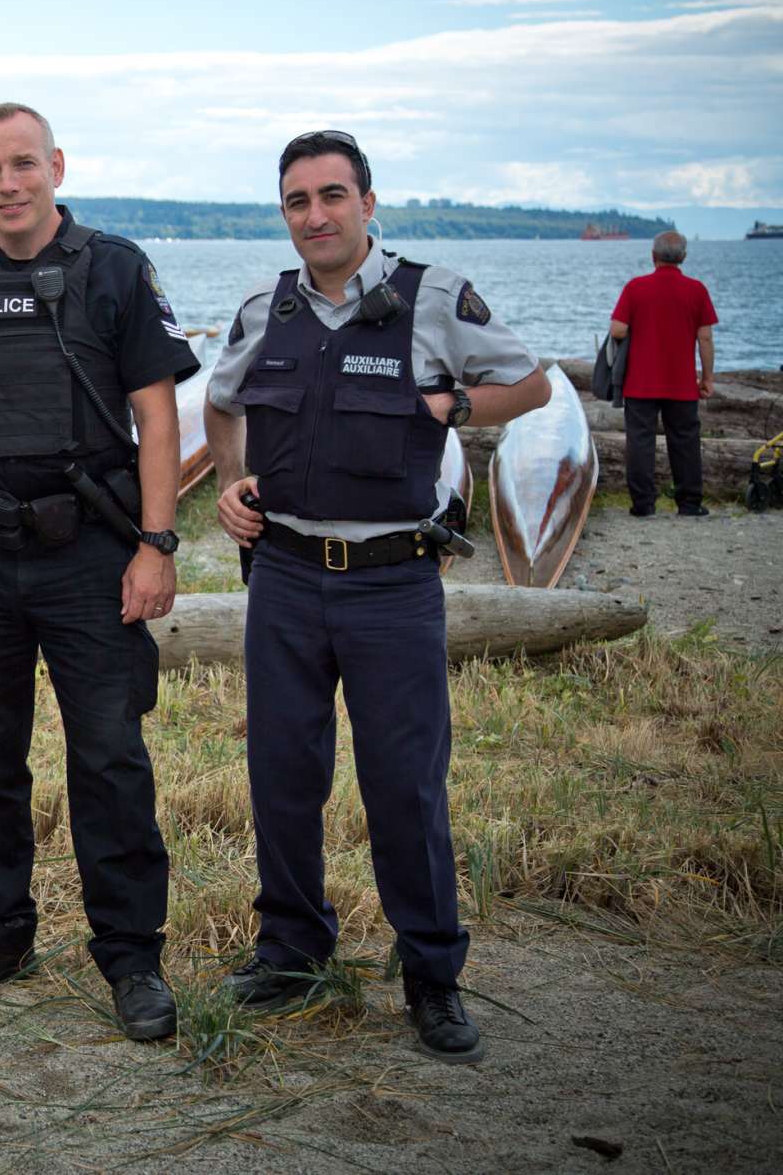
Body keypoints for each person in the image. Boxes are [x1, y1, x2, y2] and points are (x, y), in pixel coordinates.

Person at [203, 129, 551, 1066]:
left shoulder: (433, 296)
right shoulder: (264, 309)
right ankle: (292, 951)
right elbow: (221, 402)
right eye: (297, 201)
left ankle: (432, 975)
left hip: (394, 584)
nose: (315, 215)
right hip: (284, 577)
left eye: (331, 196)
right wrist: (231, 481)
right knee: (282, 774)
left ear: (366, 202)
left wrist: (453, 407)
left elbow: (530, 385)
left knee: (404, 785)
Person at [0, 103, 195, 1041]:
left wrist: (157, 544)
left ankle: (131, 958)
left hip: (89, 554)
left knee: (109, 760)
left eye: (23, 164)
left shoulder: (115, 268)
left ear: (57, 165)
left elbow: (158, 414)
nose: (8, 183)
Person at [611, 230, 717, 517]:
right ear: (683, 257)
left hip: (640, 381)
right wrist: (707, 377)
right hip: (681, 382)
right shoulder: (697, 290)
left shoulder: (636, 288)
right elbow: (705, 338)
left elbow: (617, 329)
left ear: (653, 256)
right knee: (685, 441)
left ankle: (643, 504)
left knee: (640, 442)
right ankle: (689, 503)